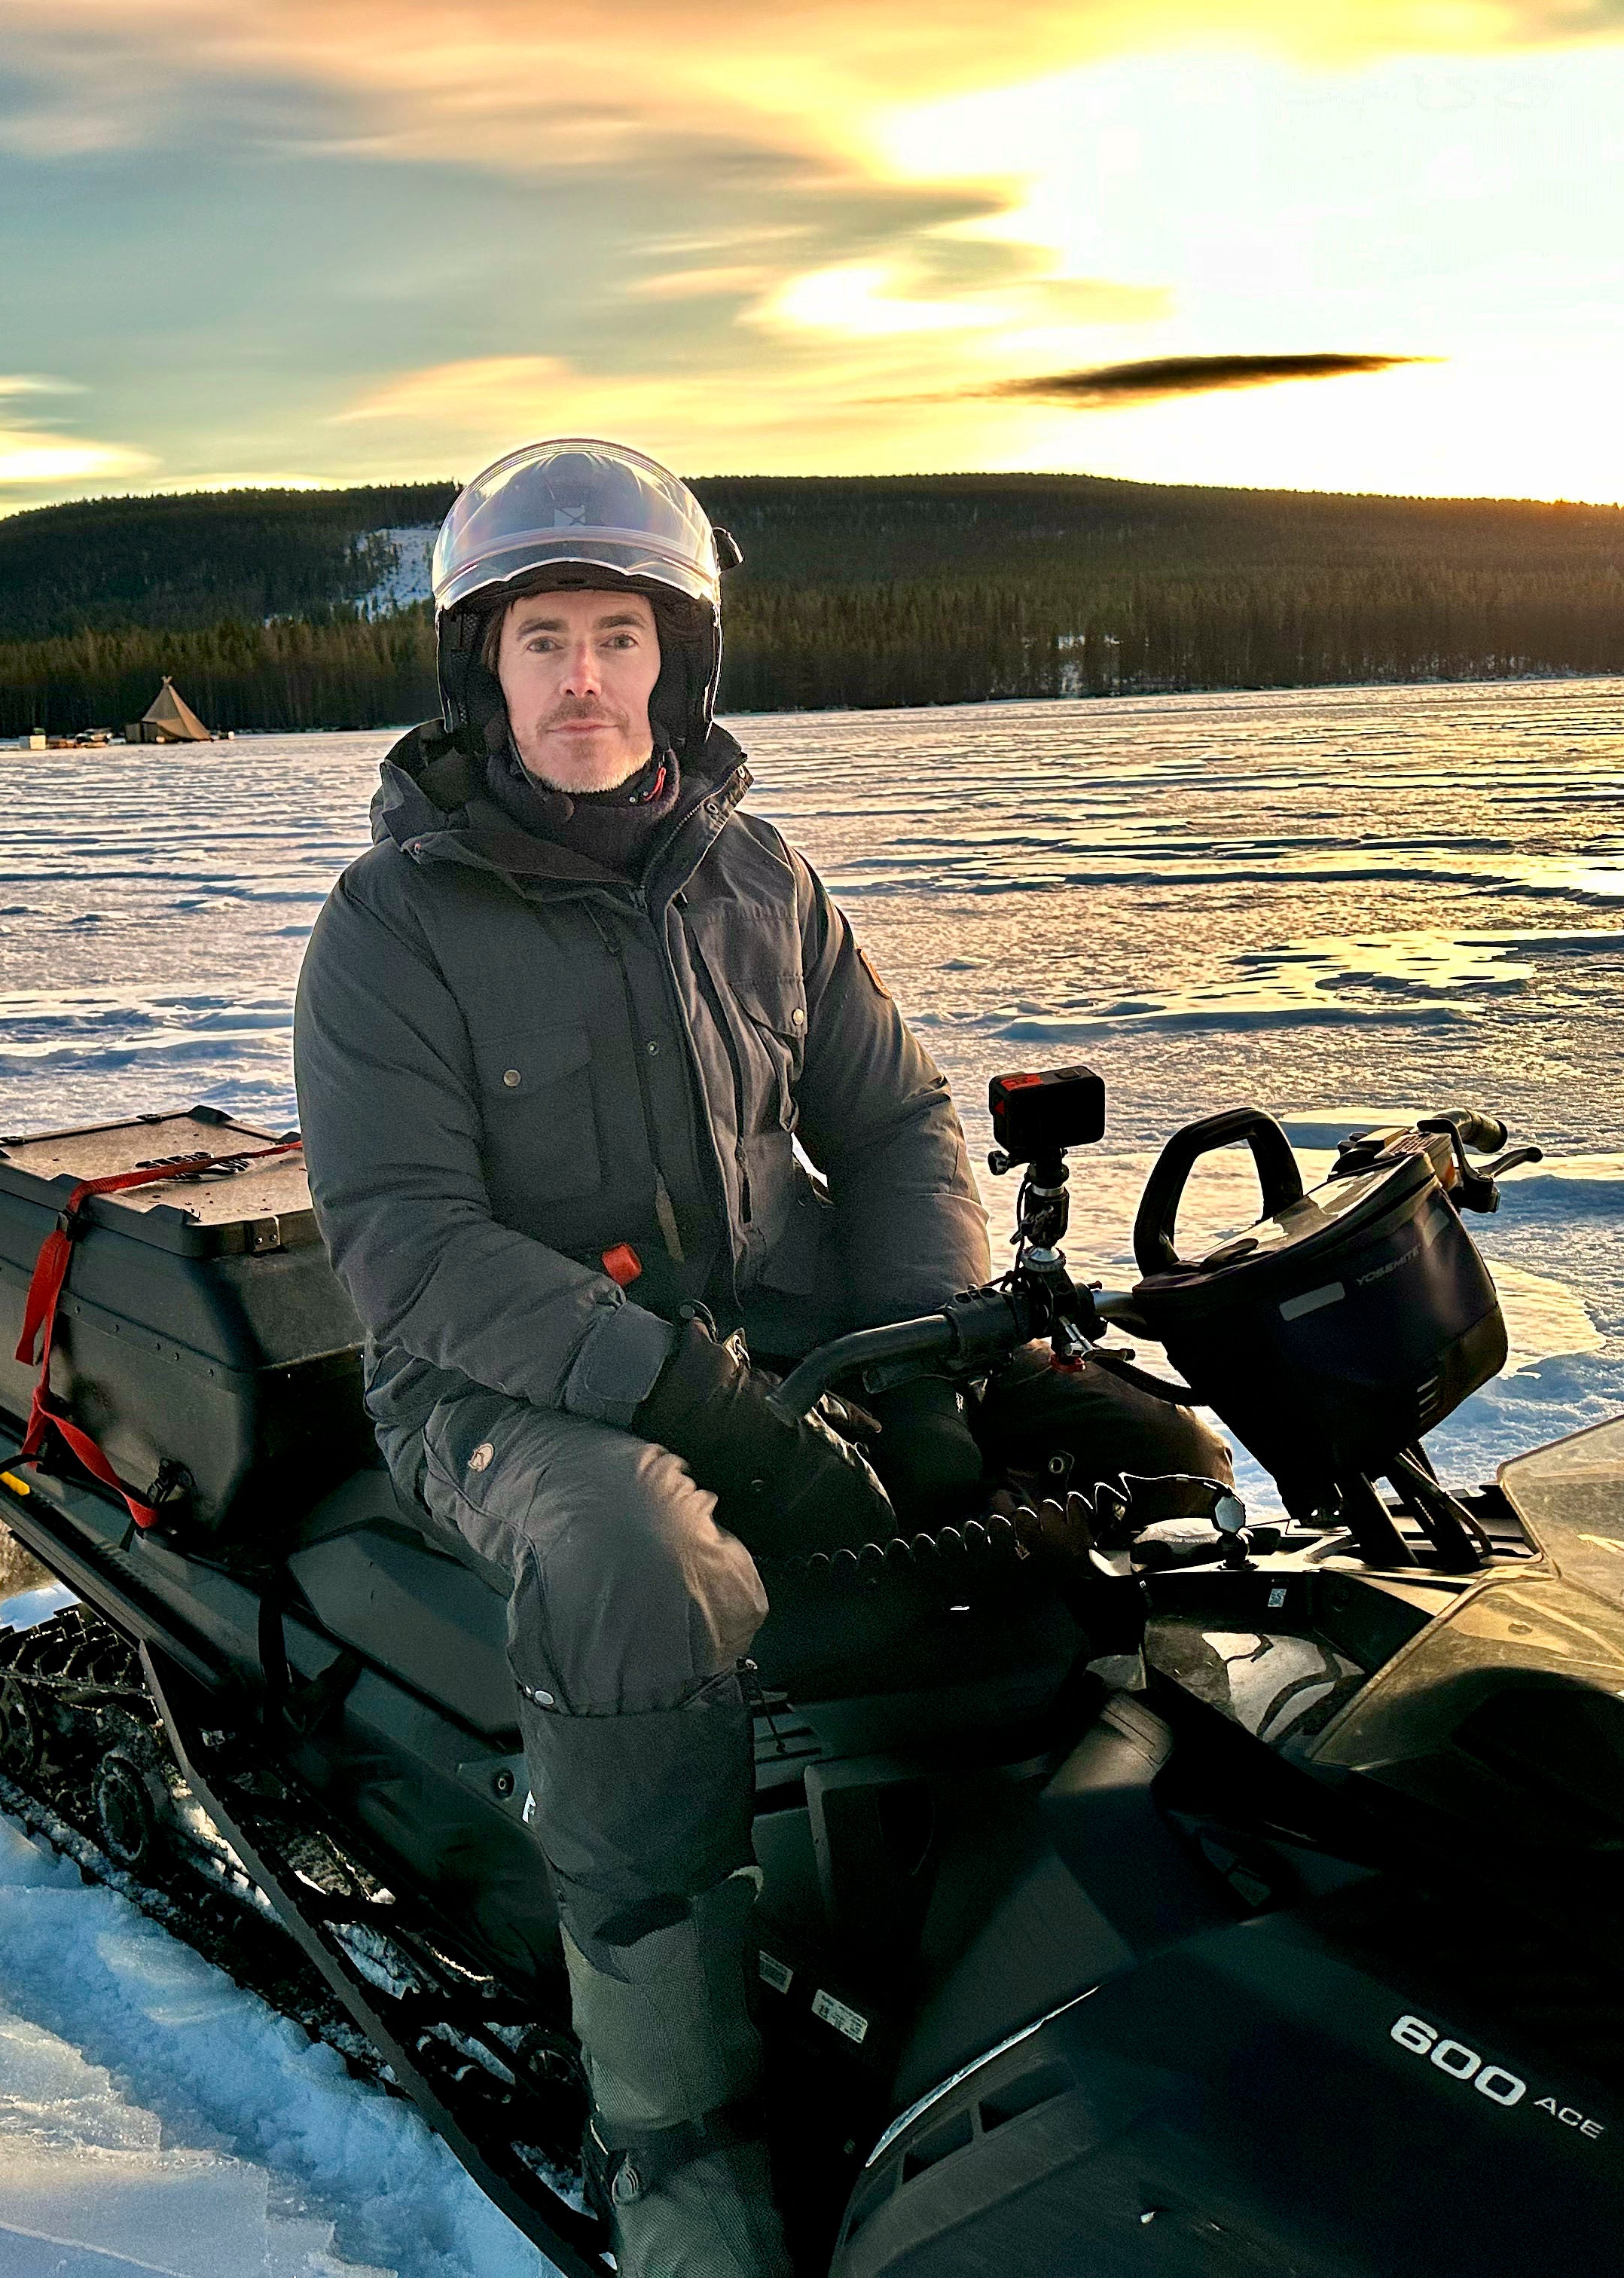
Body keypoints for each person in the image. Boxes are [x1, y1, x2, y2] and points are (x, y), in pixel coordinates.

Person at [290, 438, 1220, 2278]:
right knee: (648, 1576)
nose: (581, 681)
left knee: (1151, 1453)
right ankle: (682, 2159)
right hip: (502, 1380)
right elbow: (407, 1248)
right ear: (482, 663)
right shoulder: (391, 928)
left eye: (616, 637)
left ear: (676, 660)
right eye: (540, 637)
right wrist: (685, 1393)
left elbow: (894, 1126)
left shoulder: (758, 877)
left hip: (797, 1332)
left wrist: (922, 1365)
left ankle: (1068, 1932)